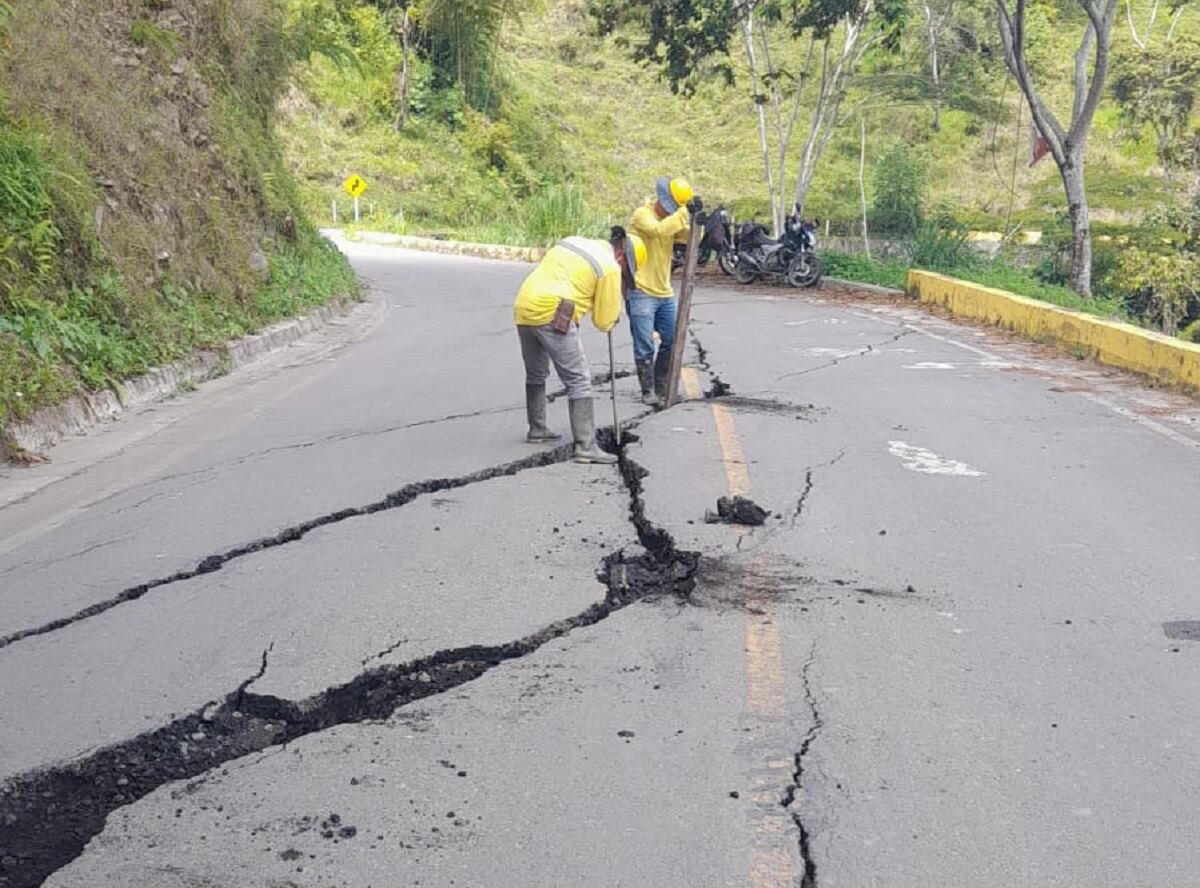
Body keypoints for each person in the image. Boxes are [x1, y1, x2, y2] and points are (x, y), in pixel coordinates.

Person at [514, 227, 646, 465]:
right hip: (553, 311)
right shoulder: (609, 267)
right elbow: (603, 322)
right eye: (626, 270)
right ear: (622, 256)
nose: (623, 274)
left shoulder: (573, 242)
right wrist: (612, 314)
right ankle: (586, 446)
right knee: (579, 380)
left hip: (524, 306)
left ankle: (537, 429)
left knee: (536, 373)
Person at [628, 176, 703, 405]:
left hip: (664, 292)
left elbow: (691, 237)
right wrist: (683, 213)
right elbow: (658, 231)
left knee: (671, 340)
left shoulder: (672, 220)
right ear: (661, 199)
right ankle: (648, 390)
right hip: (641, 290)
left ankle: (662, 387)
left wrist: (697, 220)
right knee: (645, 345)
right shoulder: (642, 215)